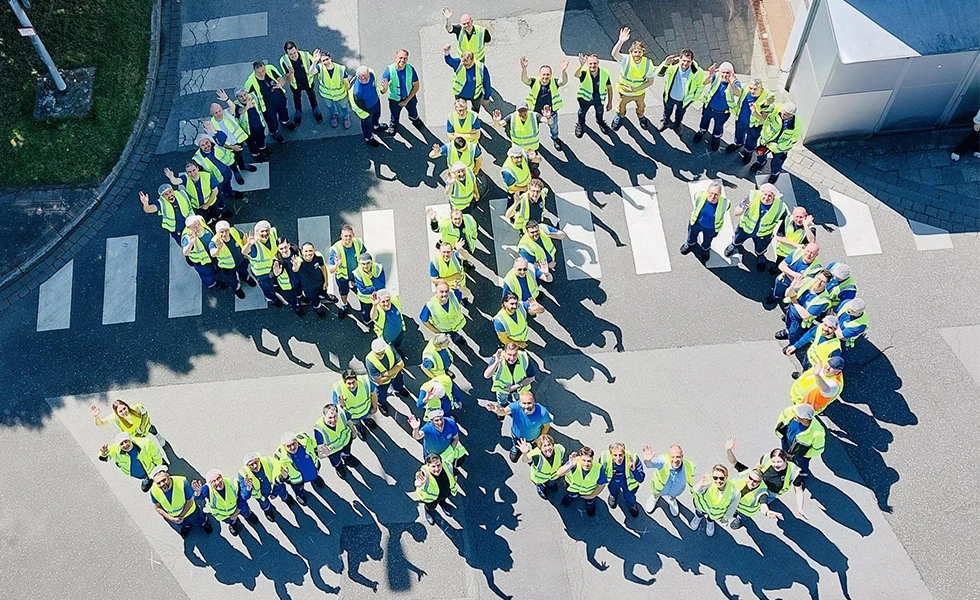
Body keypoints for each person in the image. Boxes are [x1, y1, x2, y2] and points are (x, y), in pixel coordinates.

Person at [726, 439, 806, 519]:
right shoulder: (766, 459)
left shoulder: (793, 471)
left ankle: (741, 517)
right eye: (773, 462)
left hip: (771, 492)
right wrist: (728, 449)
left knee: (759, 503)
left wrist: (800, 508)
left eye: (779, 462)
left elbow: (798, 491)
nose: (776, 465)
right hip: (759, 484)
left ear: (785, 460)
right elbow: (753, 468)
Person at [724, 183, 788, 270]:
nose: (766, 198)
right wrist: (742, 209)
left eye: (770, 196)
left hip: (763, 234)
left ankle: (760, 256)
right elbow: (736, 212)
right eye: (765, 194)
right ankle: (734, 245)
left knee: (760, 249)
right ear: (761, 192)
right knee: (737, 240)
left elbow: (786, 221)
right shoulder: (751, 197)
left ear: (774, 196)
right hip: (745, 228)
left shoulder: (780, 207)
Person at [483, 391, 552, 463]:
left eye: (529, 403)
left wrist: (539, 438)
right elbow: (503, 411)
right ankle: (515, 447)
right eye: (524, 403)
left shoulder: (543, 413)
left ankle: (530, 451)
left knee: (531, 454)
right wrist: (496, 410)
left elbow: (546, 426)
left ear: (533, 401)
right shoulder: (515, 406)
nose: (526, 406)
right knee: (515, 448)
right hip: (516, 436)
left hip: (533, 438)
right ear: (519, 402)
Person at [609, 27, 656, 131]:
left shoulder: (648, 63)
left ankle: (641, 117)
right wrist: (621, 41)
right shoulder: (625, 60)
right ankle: (620, 117)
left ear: (643, 52)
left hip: (639, 93)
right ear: (631, 52)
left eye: (639, 52)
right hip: (624, 92)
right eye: (635, 52)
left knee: (641, 107)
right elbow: (614, 54)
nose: (637, 54)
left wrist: (635, 89)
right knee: (621, 107)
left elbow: (650, 81)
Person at [150, 466, 212, 538]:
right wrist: (171, 518)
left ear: (168, 476)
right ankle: (187, 525)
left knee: (199, 519)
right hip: (175, 517)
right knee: (183, 523)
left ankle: (205, 524)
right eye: (158, 483)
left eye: (164, 480)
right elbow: (157, 507)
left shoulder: (182, 482)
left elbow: (190, 501)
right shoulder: (153, 490)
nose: (162, 484)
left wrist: (181, 516)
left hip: (190, 512)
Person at [521, 57, 568, 150]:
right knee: (534, 130)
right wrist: (524, 69)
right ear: (539, 74)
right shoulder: (534, 81)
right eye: (543, 74)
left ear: (551, 75)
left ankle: (555, 138)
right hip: (535, 113)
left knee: (554, 128)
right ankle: (534, 143)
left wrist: (563, 71)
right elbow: (525, 80)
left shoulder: (554, 82)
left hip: (551, 113)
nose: (545, 77)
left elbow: (563, 82)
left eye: (548, 74)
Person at [774, 404, 825, 489]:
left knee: (802, 464)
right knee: (785, 455)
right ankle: (786, 467)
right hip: (786, 441)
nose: (794, 415)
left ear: (806, 419)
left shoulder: (818, 432)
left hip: (800, 452)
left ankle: (801, 475)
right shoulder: (794, 410)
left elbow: (818, 449)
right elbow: (783, 415)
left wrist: (804, 454)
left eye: (797, 416)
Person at [193, 469, 257, 536]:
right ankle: (233, 524)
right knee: (232, 521)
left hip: (239, 507)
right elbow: (200, 496)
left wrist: (248, 488)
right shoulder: (207, 488)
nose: (217, 482)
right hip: (224, 515)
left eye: (218, 478)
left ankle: (249, 516)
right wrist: (198, 492)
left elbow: (243, 498)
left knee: (246, 512)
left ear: (222, 477)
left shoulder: (232, 483)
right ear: (210, 483)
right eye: (213, 481)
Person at [776, 269, 833, 345]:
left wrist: (793, 299)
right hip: (791, 310)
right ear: (815, 277)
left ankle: (792, 344)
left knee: (794, 334)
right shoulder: (807, 281)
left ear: (827, 284)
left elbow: (805, 315)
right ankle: (787, 331)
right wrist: (792, 286)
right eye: (819, 278)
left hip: (799, 320)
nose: (819, 282)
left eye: (823, 281)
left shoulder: (823, 300)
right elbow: (788, 294)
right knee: (788, 322)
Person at [750, 103, 802, 183]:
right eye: (784, 113)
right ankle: (760, 163)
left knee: (777, 162)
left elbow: (793, 139)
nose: (784, 116)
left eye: (788, 115)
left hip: (779, 148)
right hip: (766, 141)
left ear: (793, 115)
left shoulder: (797, 125)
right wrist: (764, 103)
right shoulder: (776, 109)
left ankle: (775, 173)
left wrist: (777, 147)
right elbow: (765, 108)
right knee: (761, 154)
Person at [243, 60, 294, 141]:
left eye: (263, 70)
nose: (262, 74)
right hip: (267, 106)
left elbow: (281, 78)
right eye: (259, 72)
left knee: (284, 110)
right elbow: (246, 96)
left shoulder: (270, 69)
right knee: (271, 120)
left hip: (279, 98)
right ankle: (274, 133)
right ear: (254, 71)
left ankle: (285, 121)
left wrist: (280, 84)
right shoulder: (250, 82)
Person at [694, 62, 740, 152]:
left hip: (723, 112)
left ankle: (716, 138)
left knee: (718, 126)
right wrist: (709, 75)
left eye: (728, 73)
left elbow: (738, 93)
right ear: (720, 72)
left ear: (732, 73)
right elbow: (704, 82)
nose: (725, 75)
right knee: (704, 121)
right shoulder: (716, 77)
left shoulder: (735, 82)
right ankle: (702, 132)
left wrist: (732, 84)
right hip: (709, 108)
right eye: (723, 72)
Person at [656, 49, 704, 134]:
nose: (685, 64)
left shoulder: (697, 72)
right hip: (670, 96)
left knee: (680, 113)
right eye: (683, 60)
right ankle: (665, 121)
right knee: (667, 110)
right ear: (679, 59)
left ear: (692, 61)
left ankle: (677, 124)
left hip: (684, 100)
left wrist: (694, 98)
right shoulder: (672, 67)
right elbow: (659, 74)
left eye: (688, 61)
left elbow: (700, 86)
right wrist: (666, 64)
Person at [680, 182, 731, 262]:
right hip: (696, 223)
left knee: (707, 240)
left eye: (716, 194)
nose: (713, 196)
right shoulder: (700, 196)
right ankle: (690, 244)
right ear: (707, 192)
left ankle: (705, 249)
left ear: (720, 194)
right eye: (711, 193)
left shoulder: (725, 203)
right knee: (692, 234)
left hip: (711, 228)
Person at [727, 77, 774, 162]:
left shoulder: (767, 99)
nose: (752, 91)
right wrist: (733, 85)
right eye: (750, 88)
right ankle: (738, 144)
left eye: (755, 89)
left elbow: (764, 118)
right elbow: (737, 93)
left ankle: (748, 152)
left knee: (751, 140)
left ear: (761, 88)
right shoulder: (745, 89)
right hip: (741, 120)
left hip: (754, 125)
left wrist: (755, 113)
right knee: (739, 133)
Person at [98, 432, 164, 493]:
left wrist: (159, 469)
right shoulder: (115, 449)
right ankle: (146, 478)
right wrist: (103, 454)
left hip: (150, 469)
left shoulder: (145, 443)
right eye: (121, 443)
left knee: (161, 485)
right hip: (136, 474)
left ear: (130, 439)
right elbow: (105, 458)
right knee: (144, 482)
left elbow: (156, 456)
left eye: (126, 441)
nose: (125, 445)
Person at [492, 105, 553, 170]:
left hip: (531, 150)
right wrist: (496, 121)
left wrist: (548, 117)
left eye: (525, 110)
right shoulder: (512, 117)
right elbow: (497, 125)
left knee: (533, 166)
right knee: (519, 168)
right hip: (518, 151)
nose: (522, 113)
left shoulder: (534, 115)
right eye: (520, 111)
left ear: (528, 110)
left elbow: (549, 122)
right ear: (516, 111)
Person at [641, 444, 695, 516]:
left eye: (678, 457)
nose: (675, 460)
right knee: (656, 493)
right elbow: (650, 464)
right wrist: (648, 461)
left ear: (682, 456)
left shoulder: (689, 465)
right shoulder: (663, 461)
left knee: (673, 495)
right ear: (669, 457)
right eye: (672, 457)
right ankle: (655, 498)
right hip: (659, 488)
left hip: (676, 490)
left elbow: (698, 475)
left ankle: (671, 499)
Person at [238, 452, 293, 521]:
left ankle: (286, 498)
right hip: (261, 496)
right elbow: (245, 496)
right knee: (265, 505)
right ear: (247, 466)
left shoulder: (269, 462)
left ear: (259, 460)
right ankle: (268, 511)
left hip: (275, 486)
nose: (255, 466)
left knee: (283, 492)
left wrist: (275, 493)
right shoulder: (243, 474)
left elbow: (279, 477)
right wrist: (248, 488)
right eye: (251, 465)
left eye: (256, 462)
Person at [209, 220, 257, 299]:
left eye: (226, 231)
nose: (224, 234)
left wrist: (246, 247)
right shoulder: (214, 242)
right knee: (232, 279)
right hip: (228, 267)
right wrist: (218, 249)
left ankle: (246, 278)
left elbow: (243, 236)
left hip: (241, 261)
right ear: (217, 232)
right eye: (221, 232)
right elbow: (212, 254)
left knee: (244, 271)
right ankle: (237, 288)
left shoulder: (234, 231)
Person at [208, 99, 257, 174]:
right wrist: (231, 147)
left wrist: (227, 99)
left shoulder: (227, 112)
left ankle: (242, 166)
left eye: (219, 111)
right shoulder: (211, 125)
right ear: (212, 114)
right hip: (227, 147)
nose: (219, 114)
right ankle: (236, 172)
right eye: (216, 113)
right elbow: (217, 142)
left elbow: (232, 107)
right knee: (230, 160)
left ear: (222, 109)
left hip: (238, 141)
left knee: (239, 156)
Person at [276, 431, 324, 506]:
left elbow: (315, 446)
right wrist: (283, 476)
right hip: (297, 480)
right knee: (298, 489)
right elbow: (277, 474)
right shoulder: (279, 456)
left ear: (297, 440)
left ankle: (315, 479)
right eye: (288, 446)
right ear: (284, 446)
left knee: (314, 476)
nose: (292, 447)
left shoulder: (305, 438)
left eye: (293, 443)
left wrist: (319, 451)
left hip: (312, 470)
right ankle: (299, 494)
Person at [314, 404, 361, 480]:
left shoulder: (342, 414)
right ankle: (339, 467)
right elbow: (320, 454)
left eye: (335, 416)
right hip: (333, 451)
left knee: (347, 452)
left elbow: (349, 421)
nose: (333, 420)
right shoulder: (319, 431)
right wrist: (325, 453)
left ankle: (347, 458)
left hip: (346, 442)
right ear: (324, 416)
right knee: (336, 461)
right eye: (330, 417)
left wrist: (353, 431)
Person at [278, 42, 322, 125]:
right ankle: (298, 111)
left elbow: (315, 69)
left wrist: (316, 61)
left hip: (308, 82)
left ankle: (315, 108)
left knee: (311, 95)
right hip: (295, 85)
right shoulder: (284, 61)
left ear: (297, 49)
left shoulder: (306, 56)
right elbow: (289, 80)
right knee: (297, 98)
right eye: (290, 54)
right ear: (287, 54)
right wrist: (291, 73)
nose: (294, 56)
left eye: (294, 53)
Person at [328, 224, 366, 319]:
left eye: (350, 235)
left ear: (353, 235)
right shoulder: (335, 249)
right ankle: (344, 304)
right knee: (344, 293)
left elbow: (364, 255)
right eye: (345, 236)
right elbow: (331, 270)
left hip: (356, 273)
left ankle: (353, 285)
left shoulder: (358, 243)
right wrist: (337, 264)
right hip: (342, 277)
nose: (348, 238)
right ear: (341, 236)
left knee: (358, 286)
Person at [556, 446, 607, 517]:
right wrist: (570, 465)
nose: (586, 464)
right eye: (583, 460)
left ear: (592, 459)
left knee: (590, 501)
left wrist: (592, 496)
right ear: (580, 458)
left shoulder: (599, 468)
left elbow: (601, 485)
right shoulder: (574, 462)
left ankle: (590, 505)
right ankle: (570, 498)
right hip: (572, 489)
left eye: (589, 461)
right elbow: (559, 473)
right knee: (571, 495)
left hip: (588, 492)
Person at [91, 399, 166, 447]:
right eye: (120, 411)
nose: (124, 412)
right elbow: (100, 423)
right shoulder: (114, 418)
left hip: (144, 427)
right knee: (145, 446)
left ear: (127, 406)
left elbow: (145, 412)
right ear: (117, 413)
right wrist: (96, 416)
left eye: (124, 408)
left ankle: (158, 436)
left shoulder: (136, 408)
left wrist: (142, 426)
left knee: (152, 429)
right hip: (135, 436)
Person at [689, 465, 738, 536]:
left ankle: (709, 522)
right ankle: (698, 518)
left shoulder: (733, 490)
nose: (718, 481)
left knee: (711, 518)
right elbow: (693, 492)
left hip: (716, 513)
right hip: (701, 507)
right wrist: (701, 485)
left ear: (726, 477)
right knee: (699, 513)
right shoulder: (707, 482)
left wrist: (726, 517)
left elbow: (732, 507)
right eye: (715, 478)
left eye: (721, 478)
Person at [364, 338, 407, 417]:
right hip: (383, 383)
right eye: (378, 353)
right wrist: (394, 372)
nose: (380, 355)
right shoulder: (369, 360)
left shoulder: (389, 348)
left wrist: (387, 374)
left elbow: (401, 364)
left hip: (394, 375)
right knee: (381, 394)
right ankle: (381, 404)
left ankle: (398, 389)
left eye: (382, 352)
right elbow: (379, 380)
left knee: (399, 382)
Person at [246, 221, 285, 307]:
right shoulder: (254, 245)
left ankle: (274, 284)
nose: (265, 233)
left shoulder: (273, 232)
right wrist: (248, 244)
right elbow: (244, 252)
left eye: (267, 230)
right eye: (262, 231)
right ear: (256, 232)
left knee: (274, 280)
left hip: (272, 266)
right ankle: (271, 298)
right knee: (267, 288)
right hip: (261, 274)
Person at [332, 369, 380, 439]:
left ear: (356, 380)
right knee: (356, 422)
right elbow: (338, 410)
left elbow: (373, 394)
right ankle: (359, 427)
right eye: (349, 383)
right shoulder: (338, 391)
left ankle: (367, 420)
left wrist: (375, 407)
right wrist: (341, 404)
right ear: (344, 382)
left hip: (366, 411)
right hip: (354, 417)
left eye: (353, 382)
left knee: (367, 417)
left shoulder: (365, 382)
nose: (352, 386)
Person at [293, 242, 337, 318]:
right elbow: (295, 269)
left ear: (314, 250)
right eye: (306, 251)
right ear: (302, 252)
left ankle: (324, 295)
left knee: (323, 292)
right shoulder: (299, 261)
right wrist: (295, 267)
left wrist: (326, 281)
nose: (308, 253)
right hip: (309, 288)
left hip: (320, 282)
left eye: (310, 251)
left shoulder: (318, 256)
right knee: (315, 300)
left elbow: (323, 268)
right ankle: (318, 308)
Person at [574, 53, 613, 138]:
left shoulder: (604, 73)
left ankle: (600, 122)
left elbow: (609, 87)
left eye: (595, 63)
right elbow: (576, 74)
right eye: (590, 63)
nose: (593, 65)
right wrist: (581, 65)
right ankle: (580, 124)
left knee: (600, 112)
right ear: (587, 64)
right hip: (585, 99)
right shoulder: (584, 72)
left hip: (599, 99)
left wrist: (610, 102)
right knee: (582, 112)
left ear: (598, 63)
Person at [602, 443, 646, 517]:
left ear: (624, 453)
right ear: (610, 454)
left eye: (620, 455)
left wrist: (634, 470)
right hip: (613, 482)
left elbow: (641, 479)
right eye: (615, 455)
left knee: (629, 497)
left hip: (628, 484)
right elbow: (600, 473)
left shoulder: (633, 459)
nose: (618, 458)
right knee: (613, 490)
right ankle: (613, 495)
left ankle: (632, 506)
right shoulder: (604, 459)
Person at [382, 49, 422, 132]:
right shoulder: (389, 70)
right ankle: (393, 124)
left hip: (409, 97)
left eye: (405, 58)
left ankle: (415, 120)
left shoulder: (410, 69)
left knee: (413, 111)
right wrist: (384, 88)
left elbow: (416, 86)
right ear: (395, 58)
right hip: (394, 99)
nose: (402, 60)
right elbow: (383, 91)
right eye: (400, 58)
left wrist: (406, 101)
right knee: (394, 114)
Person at [414, 453, 459, 525]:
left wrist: (454, 482)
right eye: (433, 466)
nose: (437, 469)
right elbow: (417, 483)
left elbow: (455, 473)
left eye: (438, 465)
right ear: (427, 466)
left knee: (443, 500)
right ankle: (428, 511)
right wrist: (421, 483)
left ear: (441, 463)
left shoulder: (447, 466)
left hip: (445, 493)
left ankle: (442, 503)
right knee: (431, 507)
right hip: (431, 499)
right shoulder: (423, 473)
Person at [349, 66, 389, 147]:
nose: (365, 78)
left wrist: (378, 95)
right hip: (367, 110)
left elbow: (375, 85)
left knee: (377, 115)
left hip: (375, 102)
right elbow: (355, 105)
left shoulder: (371, 74)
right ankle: (368, 138)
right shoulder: (356, 91)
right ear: (358, 77)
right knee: (367, 124)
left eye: (366, 75)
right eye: (362, 77)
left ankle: (376, 127)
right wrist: (364, 114)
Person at [770, 207, 817, 275]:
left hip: (795, 256)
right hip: (781, 252)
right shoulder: (787, 220)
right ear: (793, 215)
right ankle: (776, 268)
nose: (798, 220)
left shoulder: (810, 227)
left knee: (789, 270)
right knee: (779, 263)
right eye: (796, 217)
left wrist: (806, 226)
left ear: (806, 216)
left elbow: (812, 241)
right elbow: (779, 237)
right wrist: (796, 245)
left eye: (801, 217)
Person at [225, 87, 271, 157]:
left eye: (245, 94)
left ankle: (263, 148)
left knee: (261, 139)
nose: (244, 98)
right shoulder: (236, 105)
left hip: (260, 126)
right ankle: (256, 155)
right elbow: (239, 111)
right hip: (248, 132)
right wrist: (247, 107)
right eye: (241, 96)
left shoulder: (252, 96)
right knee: (252, 145)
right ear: (237, 98)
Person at [312, 50, 351, 129]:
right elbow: (310, 73)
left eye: (327, 59)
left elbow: (346, 83)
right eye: (323, 61)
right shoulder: (320, 67)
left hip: (340, 94)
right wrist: (314, 61)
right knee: (330, 106)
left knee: (344, 106)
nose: (326, 62)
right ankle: (334, 115)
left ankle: (346, 117)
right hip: (326, 94)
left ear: (330, 58)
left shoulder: (340, 69)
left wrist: (348, 93)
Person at [180, 215, 217, 289]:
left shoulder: (200, 220)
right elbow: (185, 252)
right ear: (189, 228)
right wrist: (191, 243)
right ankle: (212, 284)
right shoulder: (187, 238)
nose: (198, 227)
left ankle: (214, 270)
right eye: (194, 227)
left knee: (213, 267)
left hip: (210, 255)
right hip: (201, 262)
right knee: (207, 274)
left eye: (198, 224)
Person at [351, 252, 386, 323]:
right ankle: (367, 321)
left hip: (378, 298)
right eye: (363, 264)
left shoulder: (378, 268)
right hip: (365, 299)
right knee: (366, 313)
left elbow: (382, 285)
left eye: (368, 263)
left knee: (379, 311)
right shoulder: (357, 273)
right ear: (359, 264)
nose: (366, 266)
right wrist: (375, 288)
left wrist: (372, 277)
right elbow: (363, 290)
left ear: (372, 262)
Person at [272, 237, 304, 316]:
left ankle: (300, 297)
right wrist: (276, 274)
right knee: (292, 298)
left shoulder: (295, 250)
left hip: (298, 279)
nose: (284, 250)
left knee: (299, 291)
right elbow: (273, 273)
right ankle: (296, 307)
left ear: (289, 245)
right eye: (281, 248)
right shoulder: (276, 259)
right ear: (278, 249)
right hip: (287, 285)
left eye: (285, 247)